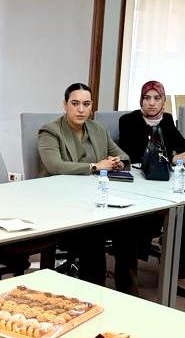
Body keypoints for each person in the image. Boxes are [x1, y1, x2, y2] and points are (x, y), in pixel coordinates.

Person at [37, 83, 140, 295]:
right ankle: (94, 295)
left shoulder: (97, 129)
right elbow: (55, 165)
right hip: (62, 204)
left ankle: (128, 293)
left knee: (129, 227)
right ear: (65, 105)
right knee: (94, 233)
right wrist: (95, 166)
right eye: (75, 104)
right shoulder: (50, 131)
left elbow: (123, 155)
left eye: (86, 104)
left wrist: (117, 162)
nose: (81, 110)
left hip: (95, 200)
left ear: (92, 106)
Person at [118, 80, 185, 300]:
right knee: (165, 216)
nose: (151, 103)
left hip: (164, 185)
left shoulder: (166, 120)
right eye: (146, 98)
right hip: (138, 187)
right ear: (140, 101)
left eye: (156, 98)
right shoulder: (128, 121)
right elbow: (134, 154)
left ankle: (178, 276)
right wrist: (172, 158)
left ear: (163, 102)